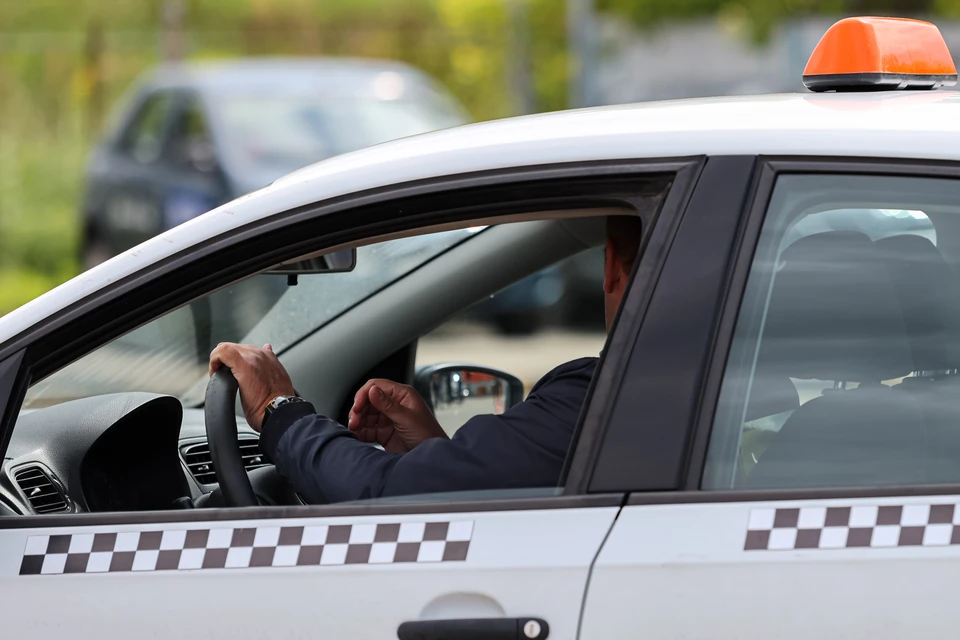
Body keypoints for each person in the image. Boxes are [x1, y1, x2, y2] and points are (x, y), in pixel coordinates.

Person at [208, 216, 642, 503]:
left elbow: (382, 497)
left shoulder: (612, 399)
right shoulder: (673, 393)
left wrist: (277, 409)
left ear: (611, 265)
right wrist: (436, 455)